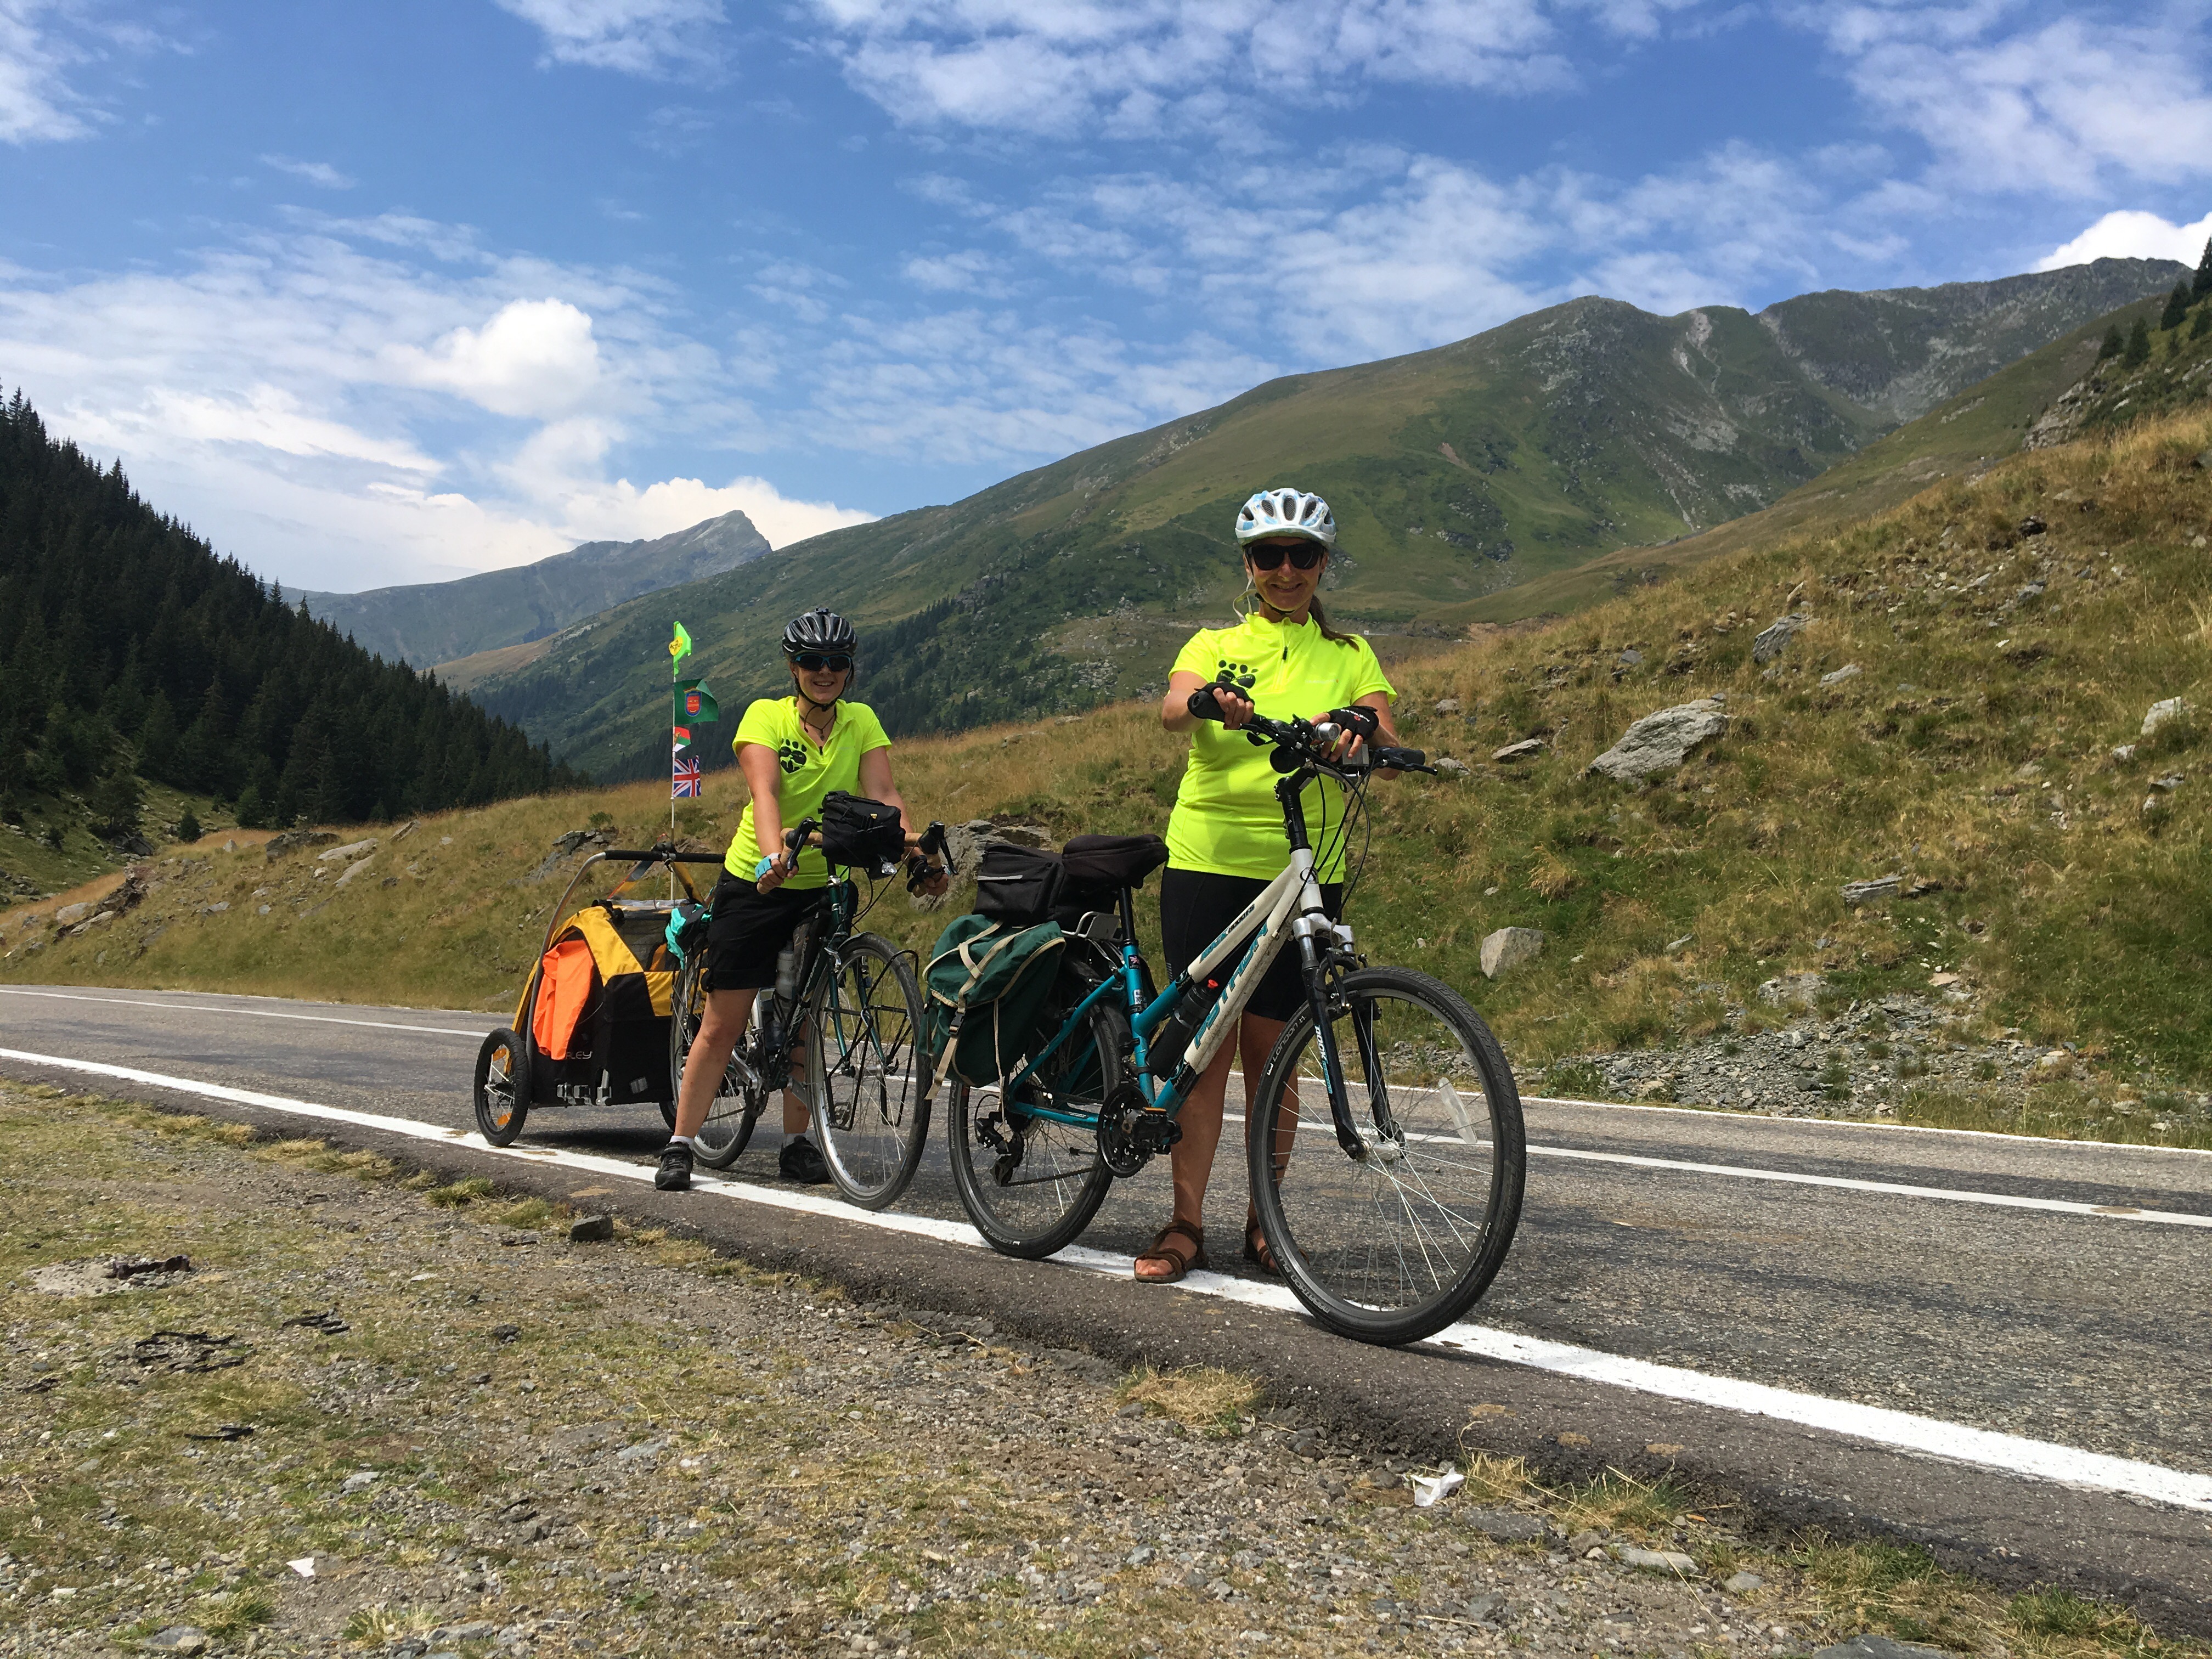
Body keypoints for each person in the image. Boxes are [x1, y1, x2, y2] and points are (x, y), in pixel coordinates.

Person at [1136, 487, 1403, 1283]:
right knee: (1205, 1051)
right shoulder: (1215, 641)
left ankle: (1265, 1223)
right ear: (1249, 565)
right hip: (1210, 858)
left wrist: (1359, 734)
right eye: (1269, 556)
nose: (1286, 571)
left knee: (1275, 1053)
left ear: (1323, 563)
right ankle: (1185, 1223)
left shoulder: (1351, 654)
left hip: (1308, 868)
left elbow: (1384, 740)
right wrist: (1204, 701)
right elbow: (1172, 710)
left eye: (1302, 555)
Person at [657, 607, 942, 1192]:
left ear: (849, 668)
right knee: (723, 1023)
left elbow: (885, 795)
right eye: (812, 661)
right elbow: (765, 793)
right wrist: (772, 858)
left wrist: (918, 856)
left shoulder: (861, 721)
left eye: (836, 661)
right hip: (756, 881)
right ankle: (681, 1144)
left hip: (822, 883)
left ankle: (797, 1144)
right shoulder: (765, 717)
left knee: (806, 1019)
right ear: (794, 666)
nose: (824, 671)